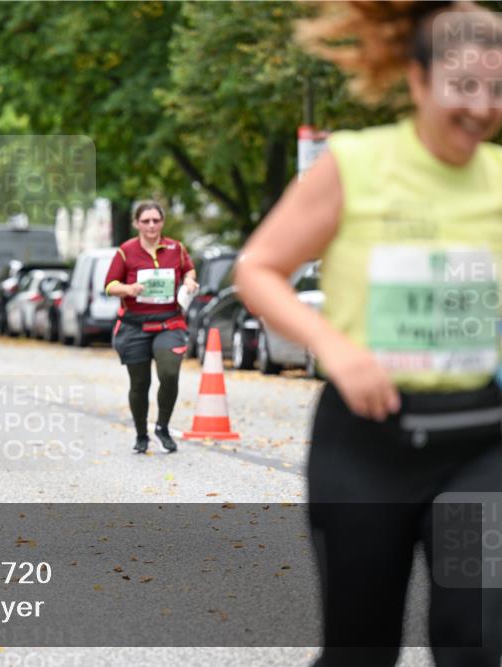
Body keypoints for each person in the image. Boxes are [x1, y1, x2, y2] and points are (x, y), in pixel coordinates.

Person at [235, 4, 501, 665]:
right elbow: (258, 269)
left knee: (475, 640)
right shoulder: (354, 164)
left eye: (498, 88)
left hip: (478, 449)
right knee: (362, 646)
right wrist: (337, 347)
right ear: (417, 79)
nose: (483, 105)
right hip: (366, 447)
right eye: (464, 86)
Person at [104, 201, 198, 454]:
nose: (151, 225)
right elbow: (110, 285)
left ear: (162, 222)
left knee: (169, 373)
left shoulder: (175, 248)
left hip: (169, 322)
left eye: (156, 220)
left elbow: (189, 270)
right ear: (137, 223)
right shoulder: (126, 251)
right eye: (146, 221)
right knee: (140, 383)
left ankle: (162, 427)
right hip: (134, 325)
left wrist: (189, 283)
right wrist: (128, 289)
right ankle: (141, 434)